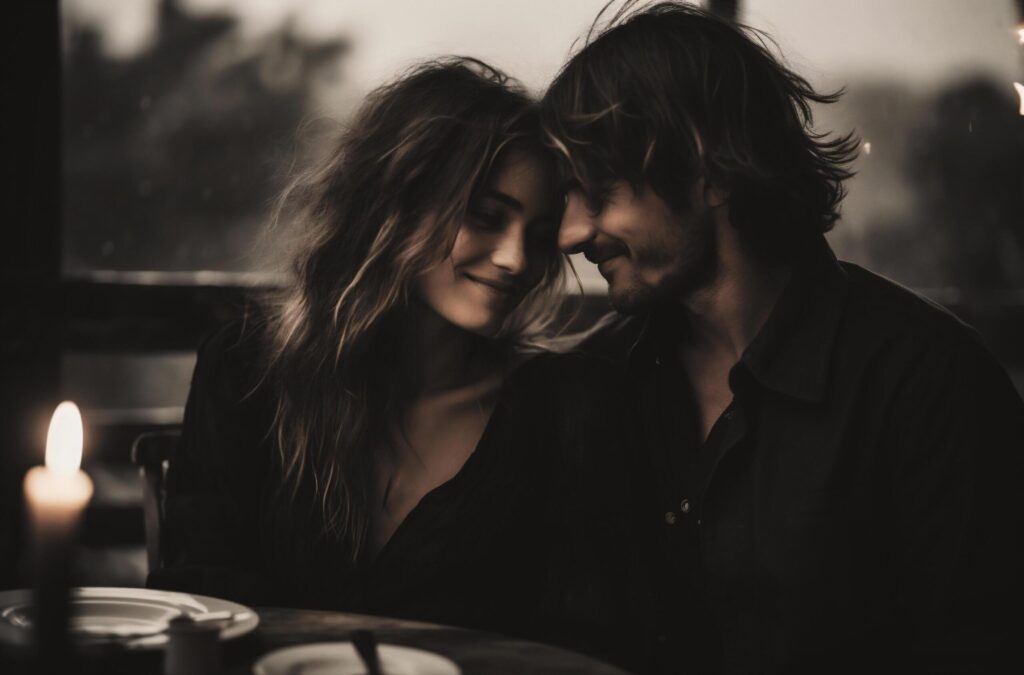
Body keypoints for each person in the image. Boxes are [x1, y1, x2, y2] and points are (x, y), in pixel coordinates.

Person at [540, 3, 1024, 674]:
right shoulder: (598, 377)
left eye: (598, 190)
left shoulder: (931, 387)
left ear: (707, 169)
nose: (569, 233)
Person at [148, 57, 648, 667]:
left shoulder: (565, 409)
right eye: (485, 217)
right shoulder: (249, 373)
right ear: (398, 203)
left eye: (539, 234)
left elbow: (584, 647)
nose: (517, 259)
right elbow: (201, 600)